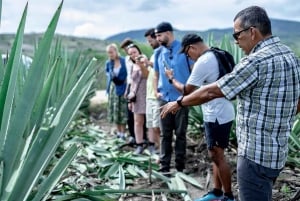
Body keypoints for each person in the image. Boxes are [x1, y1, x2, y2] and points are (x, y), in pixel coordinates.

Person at [160, 6, 300, 201]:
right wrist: (280, 116)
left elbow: (210, 90)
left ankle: (224, 194)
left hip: (255, 155)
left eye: (237, 35)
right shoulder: (290, 55)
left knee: (220, 157)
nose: (236, 41)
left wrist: (179, 102)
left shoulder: (255, 61)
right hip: (277, 153)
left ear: (252, 31)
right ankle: (219, 192)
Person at [164, 33, 235, 201]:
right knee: (216, 154)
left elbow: (187, 90)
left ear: (192, 48)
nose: (190, 58)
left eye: (188, 54)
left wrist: (171, 79)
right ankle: (217, 192)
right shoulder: (219, 54)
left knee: (217, 155)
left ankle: (228, 196)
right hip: (223, 112)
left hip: (216, 115)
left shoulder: (203, 61)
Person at [153, 22, 192, 173]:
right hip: (164, 98)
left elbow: (193, 71)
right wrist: (156, 91)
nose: (157, 38)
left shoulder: (184, 49)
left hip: (181, 99)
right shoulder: (158, 52)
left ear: (168, 33)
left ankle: (180, 167)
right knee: (165, 134)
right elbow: (156, 74)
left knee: (181, 134)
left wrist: (189, 92)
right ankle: (164, 166)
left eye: (159, 35)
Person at [126, 44, 148, 154]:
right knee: (137, 122)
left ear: (138, 51)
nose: (132, 55)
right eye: (130, 54)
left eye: (134, 52)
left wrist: (142, 65)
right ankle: (139, 144)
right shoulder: (132, 66)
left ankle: (152, 143)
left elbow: (147, 75)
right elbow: (131, 83)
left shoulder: (146, 61)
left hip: (147, 94)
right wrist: (129, 98)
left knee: (150, 122)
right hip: (136, 96)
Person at [105, 43, 128, 140]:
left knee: (123, 110)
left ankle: (123, 132)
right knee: (115, 110)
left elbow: (128, 73)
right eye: (108, 53)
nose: (110, 54)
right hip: (113, 88)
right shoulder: (108, 63)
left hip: (123, 87)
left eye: (111, 52)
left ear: (116, 51)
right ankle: (118, 132)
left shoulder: (124, 61)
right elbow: (107, 73)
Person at [143, 28, 161, 154]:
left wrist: (148, 63)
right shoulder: (154, 54)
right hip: (149, 94)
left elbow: (160, 71)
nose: (149, 43)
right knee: (151, 125)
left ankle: (161, 150)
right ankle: (157, 148)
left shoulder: (160, 54)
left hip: (156, 95)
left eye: (150, 40)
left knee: (157, 125)